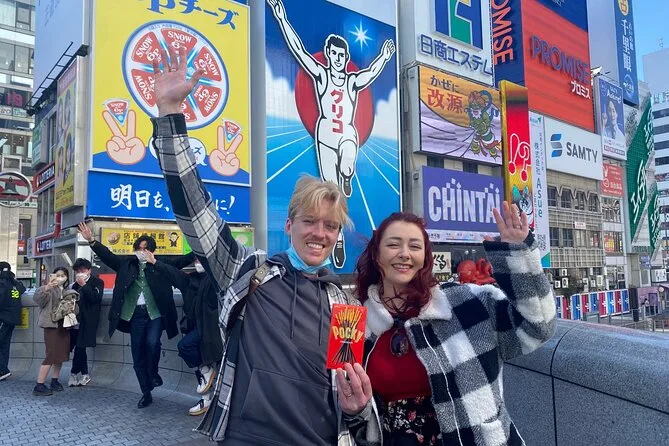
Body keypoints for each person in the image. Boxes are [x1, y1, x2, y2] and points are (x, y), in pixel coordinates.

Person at [148, 43, 379, 445]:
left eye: (330, 226)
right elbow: (195, 210)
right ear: (289, 225)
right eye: (309, 221)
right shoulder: (249, 272)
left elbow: (345, 386)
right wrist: (170, 113)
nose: (320, 233)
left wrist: (358, 408)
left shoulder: (346, 307)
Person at [354, 206, 556, 445]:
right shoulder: (359, 324)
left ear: (426, 257)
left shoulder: (468, 303)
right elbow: (352, 408)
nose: (405, 254)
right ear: (376, 254)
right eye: (393, 244)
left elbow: (538, 327)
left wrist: (518, 257)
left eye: (415, 246)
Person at [267, 0, 395, 268]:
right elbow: (299, 51)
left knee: (347, 160)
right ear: (328, 54)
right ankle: (337, 242)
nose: (337, 58)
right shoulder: (321, 75)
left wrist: (384, 56)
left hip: (347, 132)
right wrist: (281, 18)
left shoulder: (352, 81)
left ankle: (347, 174)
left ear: (346, 58)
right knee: (330, 194)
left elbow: (371, 73)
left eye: (341, 55)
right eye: (333, 54)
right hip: (324, 132)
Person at [77, 222, 195, 408]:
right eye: (139, 249)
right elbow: (107, 256)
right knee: (137, 354)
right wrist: (92, 240)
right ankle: (146, 392)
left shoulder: (161, 264)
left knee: (153, 343)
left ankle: (153, 373)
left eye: (146, 249)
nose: (142, 252)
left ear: (152, 251)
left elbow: (182, 262)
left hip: (155, 313)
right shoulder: (126, 264)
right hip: (134, 315)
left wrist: (201, 248)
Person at [156, 257, 222, 416]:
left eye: (201, 260)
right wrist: (155, 262)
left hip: (211, 329)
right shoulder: (190, 280)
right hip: (195, 326)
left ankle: (213, 394)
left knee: (188, 347)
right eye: (196, 260)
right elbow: (173, 273)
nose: (198, 263)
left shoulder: (217, 280)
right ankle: (206, 398)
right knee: (196, 359)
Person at [33, 267, 77, 396]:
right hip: (51, 325)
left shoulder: (68, 291)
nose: (60, 278)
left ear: (67, 277)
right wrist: (46, 288)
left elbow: (75, 309)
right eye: (57, 275)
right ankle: (39, 385)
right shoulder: (48, 289)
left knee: (61, 354)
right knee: (51, 354)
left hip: (64, 325)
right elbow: (38, 300)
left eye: (63, 275)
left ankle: (54, 380)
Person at [68, 258, 104, 387]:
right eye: (77, 271)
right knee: (79, 347)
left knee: (80, 347)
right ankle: (84, 374)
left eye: (82, 270)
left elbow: (96, 298)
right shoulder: (73, 285)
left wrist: (84, 285)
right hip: (74, 320)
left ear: (89, 270)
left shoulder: (97, 282)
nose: (80, 273)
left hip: (88, 320)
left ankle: (73, 373)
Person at [0, 261, 26, 381]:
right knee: (4, 345)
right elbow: (22, 289)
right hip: (12, 319)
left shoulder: (2, 283)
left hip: (3, 318)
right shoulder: (14, 284)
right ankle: (3, 370)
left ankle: (3, 370)